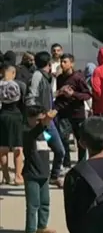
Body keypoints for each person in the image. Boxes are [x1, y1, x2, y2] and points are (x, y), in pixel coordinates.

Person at [26, 51, 66, 186]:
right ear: (48, 64)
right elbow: (31, 98)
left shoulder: (45, 77)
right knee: (41, 151)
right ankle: (38, 178)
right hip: (42, 122)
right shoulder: (37, 76)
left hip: (49, 123)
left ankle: (54, 176)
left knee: (59, 150)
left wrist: (58, 93)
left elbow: (44, 96)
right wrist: (39, 115)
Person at [22, 105, 58, 233]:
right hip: (32, 175)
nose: (40, 123)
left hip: (44, 174)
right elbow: (35, 131)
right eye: (37, 120)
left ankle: (42, 225)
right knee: (33, 204)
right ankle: (30, 231)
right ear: (29, 119)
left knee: (45, 202)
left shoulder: (44, 134)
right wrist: (44, 122)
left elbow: (54, 143)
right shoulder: (27, 133)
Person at [55, 53, 91, 164]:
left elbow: (87, 95)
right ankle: (66, 161)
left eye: (65, 62)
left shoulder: (78, 78)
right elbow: (58, 94)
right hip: (63, 113)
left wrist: (73, 94)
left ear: (72, 63)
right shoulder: (60, 78)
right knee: (63, 138)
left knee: (81, 140)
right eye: (61, 62)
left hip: (77, 113)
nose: (62, 64)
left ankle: (82, 162)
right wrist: (60, 92)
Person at [0, 65, 27, 185]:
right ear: (13, 73)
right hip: (16, 115)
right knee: (18, 148)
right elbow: (24, 102)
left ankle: (5, 175)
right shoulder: (20, 85)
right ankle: (18, 176)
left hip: (3, 115)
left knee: (3, 148)